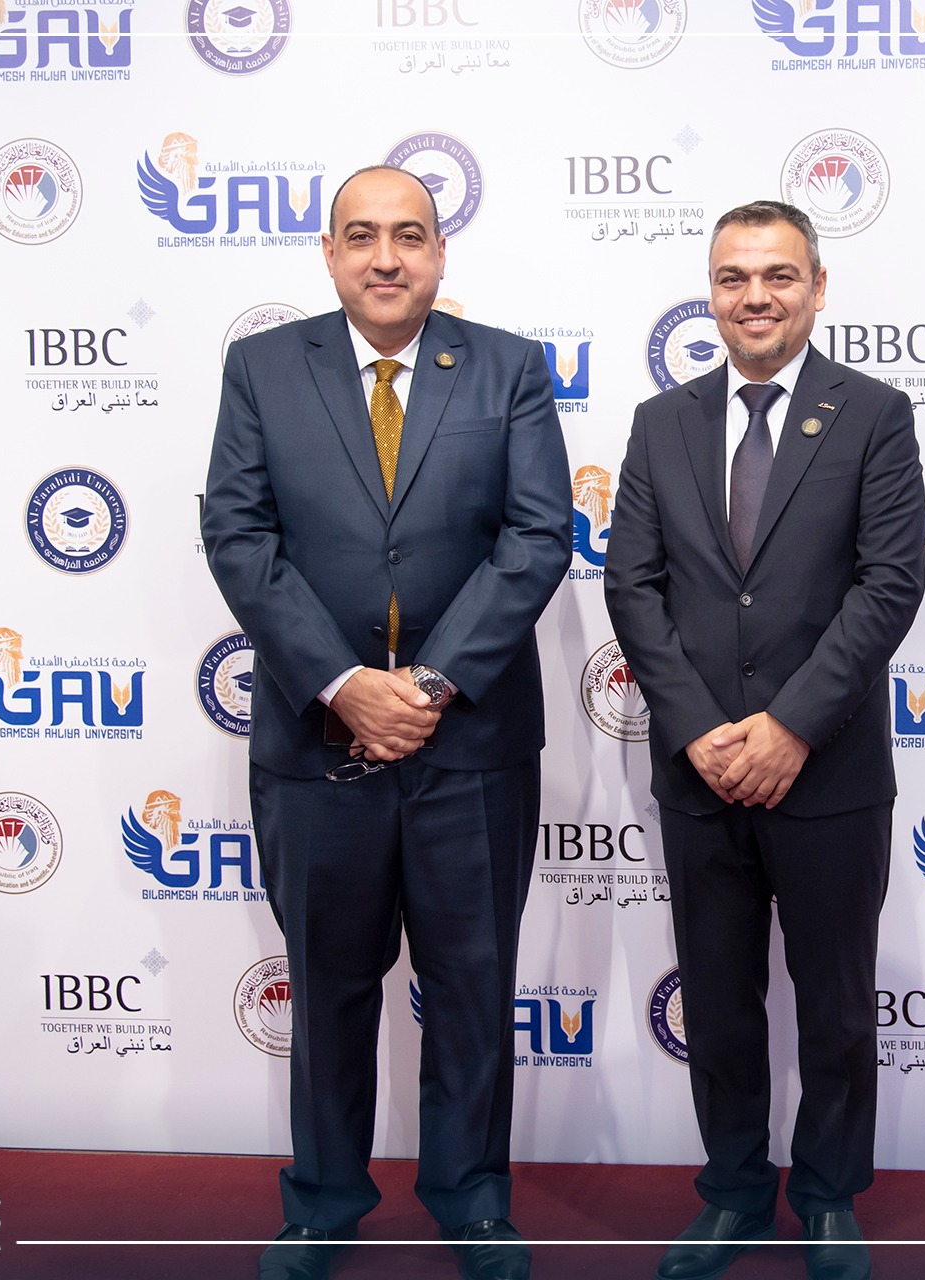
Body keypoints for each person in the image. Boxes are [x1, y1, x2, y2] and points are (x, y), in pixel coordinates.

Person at [202, 165, 571, 1280]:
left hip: (473, 748)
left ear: (441, 252)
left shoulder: (508, 366)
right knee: (329, 987)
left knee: (473, 984)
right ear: (328, 253)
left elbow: (536, 537)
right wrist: (342, 682)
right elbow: (239, 534)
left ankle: (473, 1200)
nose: (385, 256)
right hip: (318, 747)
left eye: (409, 234)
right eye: (360, 235)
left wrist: (432, 683)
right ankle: (322, 1203)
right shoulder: (264, 367)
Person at [604, 201, 925, 1280]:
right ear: (711, 292)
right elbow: (632, 586)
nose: (756, 296)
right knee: (719, 997)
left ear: (818, 288)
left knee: (835, 1003)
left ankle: (828, 1195)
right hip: (701, 775)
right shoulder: (661, 421)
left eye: (779, 275)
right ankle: (735, 1191)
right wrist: (700, 730)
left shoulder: (874, 414)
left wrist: (790, 726)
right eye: (734, 276)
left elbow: (889, 584)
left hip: (827, 771)